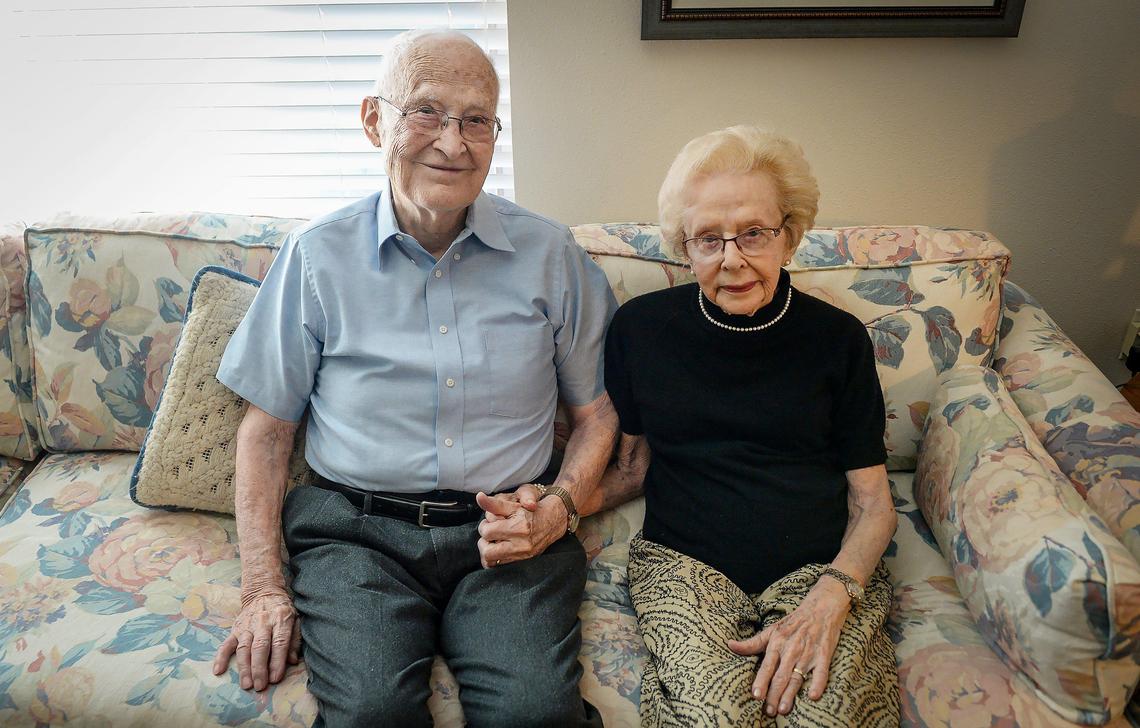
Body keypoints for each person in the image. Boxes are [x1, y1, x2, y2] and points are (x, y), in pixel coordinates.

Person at [209, 29, 617, 728]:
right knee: (370, 712)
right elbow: (266, 432)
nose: (453, 144)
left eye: (476, 120)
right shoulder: (316, 256)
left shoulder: (551, 255)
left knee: (534, 715)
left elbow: (598, 418)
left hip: (509, 534)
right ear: (376, 120)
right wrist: (261, 590)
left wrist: (558, 508)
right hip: (355, 536)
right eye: (426, 112)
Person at [594, 126, 900, 727]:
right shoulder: (640, 331)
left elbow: (874, 504)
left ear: (790, 235)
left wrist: (833, 595)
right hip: (683, 568)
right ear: (686, 248)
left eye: (753, 234)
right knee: (713, 720)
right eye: (708, 239)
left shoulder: (838, 340)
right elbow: (631, 466)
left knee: (827, 718)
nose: (731, 259)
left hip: (818, 568)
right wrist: (554, 507)